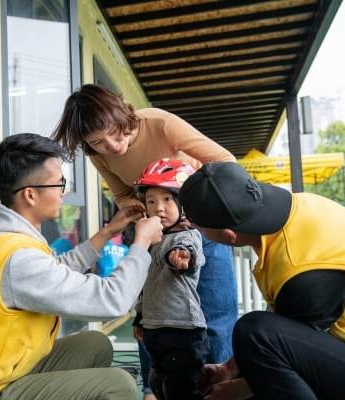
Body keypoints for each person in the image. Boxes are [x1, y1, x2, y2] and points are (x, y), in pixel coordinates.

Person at [0, 133, 164, 400]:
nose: (64, 191)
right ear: (30, 195)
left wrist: (107, 232)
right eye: (59, 183)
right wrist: (142, 243)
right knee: (118, 384)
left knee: (95, 344)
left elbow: (52, 270)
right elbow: (112, 299)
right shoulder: (18, 258)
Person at [53, 84, 238, 363]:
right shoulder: (99, 155)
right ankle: (155, 388)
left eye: (114, 133)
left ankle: (219, 386)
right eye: (98, 142)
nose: (112, 147)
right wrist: (143, 213)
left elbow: (225, 162)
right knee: (151, 319)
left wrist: (195, 206)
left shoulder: (160, 124)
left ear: (121, 114)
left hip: (202, 229)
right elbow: (123, 195)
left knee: (216, 318)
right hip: (153, 239)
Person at [178, 161, 345, 400]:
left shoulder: (300, 272)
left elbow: (290, 357)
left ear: (229, 236)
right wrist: (230, 368)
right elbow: (287, 330)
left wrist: (241, 389)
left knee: (254, 331)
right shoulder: (300, 207)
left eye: (198, 228)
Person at [132, 159, 209, 400]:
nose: (158, 208)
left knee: (184, 389)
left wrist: (180, 258)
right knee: (159, 384)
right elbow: (147, 284)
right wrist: (139, 317)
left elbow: (187, 253)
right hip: (155, 328)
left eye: (167, 199)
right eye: (151, 201)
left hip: (182, 329)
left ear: (183, 204)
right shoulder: (153, 239)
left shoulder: (186, 236)